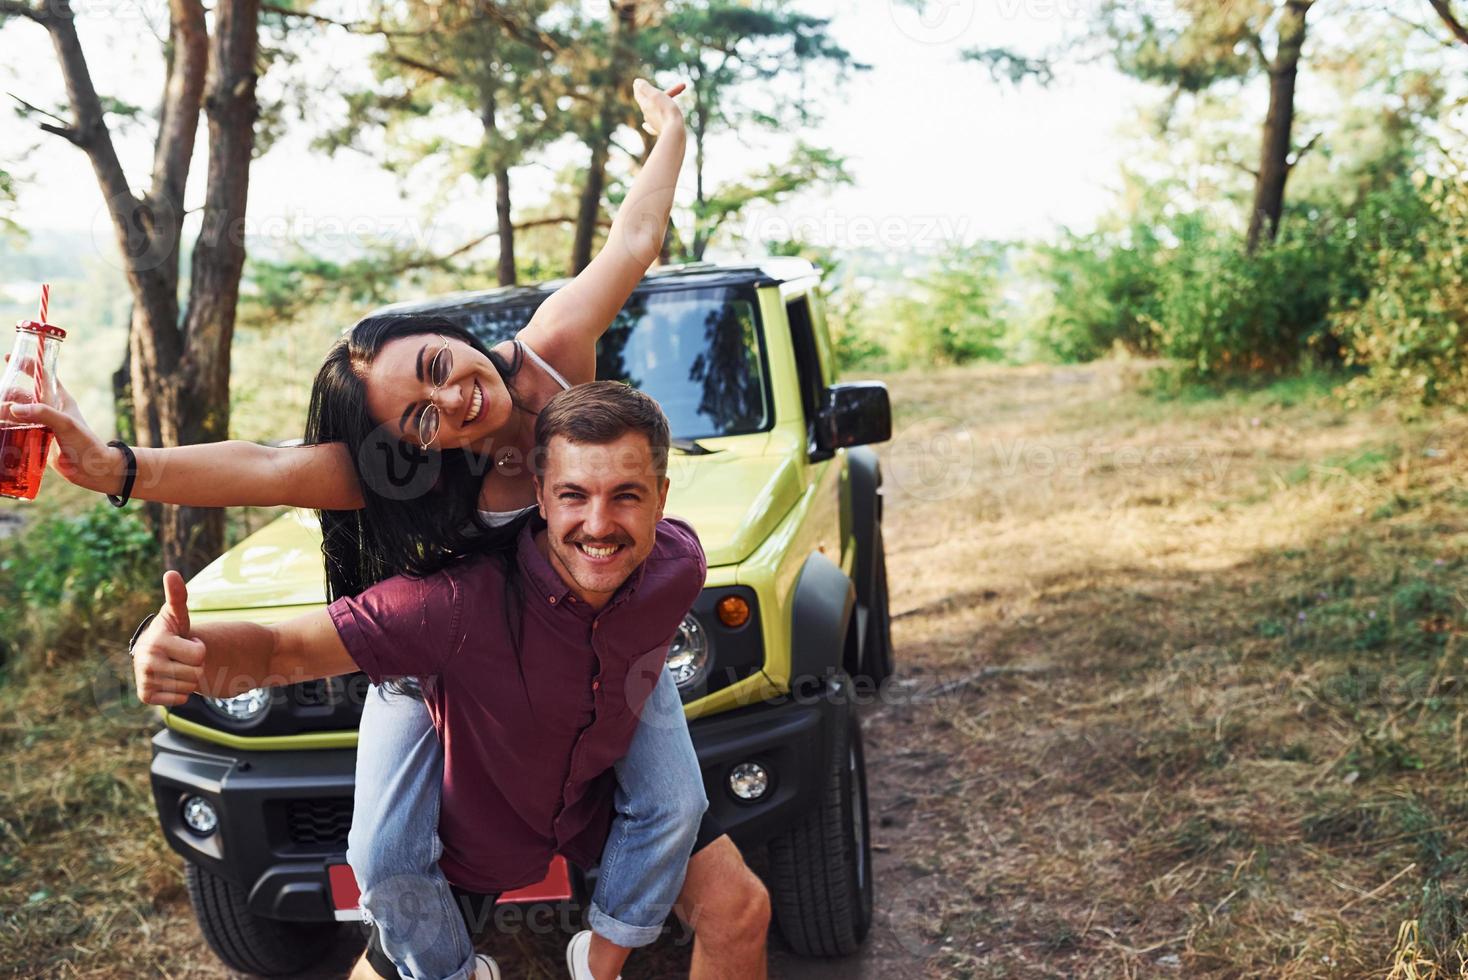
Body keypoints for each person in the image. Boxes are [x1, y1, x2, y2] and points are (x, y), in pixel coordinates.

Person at [9, 79, 770, 980]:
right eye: (419, 416)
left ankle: (601, 951)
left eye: (440, 367)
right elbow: (264, 465)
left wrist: (671, 130)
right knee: (383, 853)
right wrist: (113, 469)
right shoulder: (409, 482)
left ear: (448, 335)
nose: (452, 400)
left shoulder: (549, 358)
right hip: (449, 663)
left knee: (676, 804)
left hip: (595, 645)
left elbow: (636, 239)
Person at [135, 384, 770, 980]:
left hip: (601, 799)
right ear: (541, 496)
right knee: (387, 890)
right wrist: (185, 652)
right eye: (574, 495)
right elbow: (283, 649)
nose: (599, 524)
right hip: (472, 826)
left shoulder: (678, 565)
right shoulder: (452, 607)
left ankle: (601, 955)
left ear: (661, 498)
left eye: (626, 495)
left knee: (739, 908)